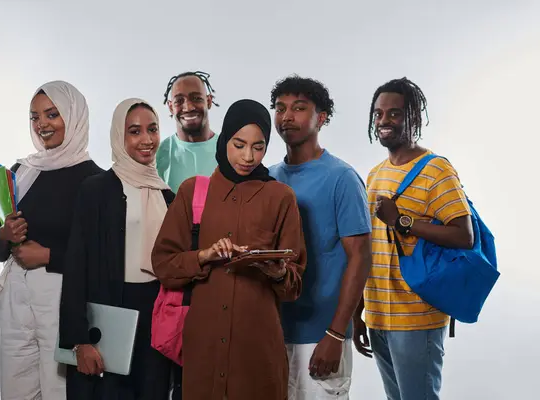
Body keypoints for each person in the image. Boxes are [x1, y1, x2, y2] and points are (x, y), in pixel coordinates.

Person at [152, 99, 307, 400]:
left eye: (258, 147)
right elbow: (163, 265)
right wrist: (204, 256)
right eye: (239, 144)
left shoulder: (281, 198)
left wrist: (277, 274)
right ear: (224, 140)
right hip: (202, 356)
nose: (248, 156)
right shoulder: (191, 192)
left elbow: (295, 287)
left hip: (258, 359)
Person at [353, 77, 474, 400]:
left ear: (414, 117)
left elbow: (464, 236)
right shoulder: (376, 174)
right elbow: (371, 247)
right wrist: (359, 310)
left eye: (394, 114)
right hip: (378, 313)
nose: (383, 121)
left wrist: (402, 221)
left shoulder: (436, 170)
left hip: (416, 316)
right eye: (378, 114)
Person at [0, 81, 103, 400]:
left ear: (74, 115)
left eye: (52, 114)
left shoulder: (95, 180)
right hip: (16, 297)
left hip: (64, 298)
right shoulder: (20, 172)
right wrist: (3, 235)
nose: (42, 124)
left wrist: (48, 256)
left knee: (60, 390)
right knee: (15, 390)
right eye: (34, 117)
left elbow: (102, 257)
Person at [59, 98, 174, 400]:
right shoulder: (96, 190)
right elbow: (75, 269)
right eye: (134, 131)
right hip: (110, 313)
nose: (147, 140)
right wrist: (79, 340)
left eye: (153, 129)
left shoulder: (168, 195)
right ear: (118, 137)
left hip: (155, 316)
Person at [268, 75, 373, 400]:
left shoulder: (341, 178)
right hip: (273, 333)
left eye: (299, 108)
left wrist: (336, 333)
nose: (287, 117)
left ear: (321, 117)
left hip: (321, 336)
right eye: (280, 108)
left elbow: (360, 257)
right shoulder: (269, 178)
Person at [156, 71, 219, 193]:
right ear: (170, 107)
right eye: (179, 101)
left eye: (196, 98)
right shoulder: (159, 155)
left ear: (209, 101)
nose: (188, 107)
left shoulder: (228, 150)